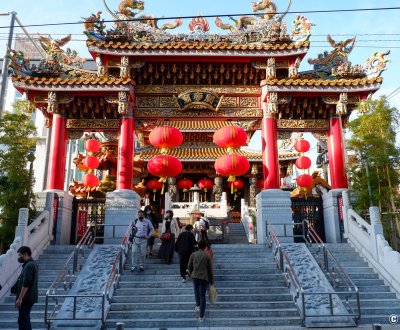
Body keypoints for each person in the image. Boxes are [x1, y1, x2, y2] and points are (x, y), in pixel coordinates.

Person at [188, 240, 214, 322]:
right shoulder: (207, 256)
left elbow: (189, 265)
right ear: (205, 247)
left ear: (198, 246)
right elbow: (210, 270)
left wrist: (191, 272)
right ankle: (201, 316)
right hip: (204, 277)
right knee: (202, 296)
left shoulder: (193, 254)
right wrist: (212, 281)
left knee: (196, 290)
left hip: (195, 276)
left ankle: (197, 305)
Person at [15, 246, 38, 330]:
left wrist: (20, 298)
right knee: (22, 320)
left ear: (25, 254)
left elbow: (26, 283)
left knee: (24, 320)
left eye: (20, 255)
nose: (19, 257)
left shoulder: (29, 266)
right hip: (28, 297)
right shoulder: (32, 264)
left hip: (26, 298)